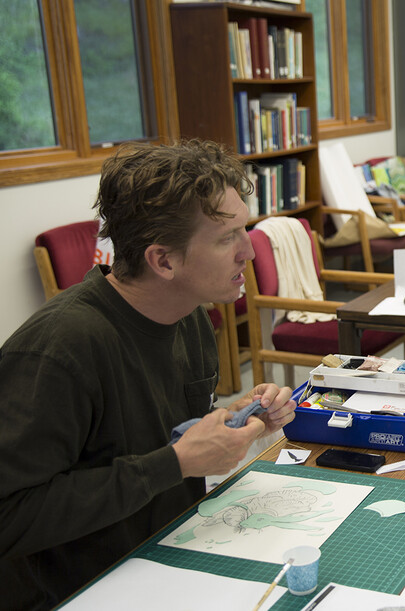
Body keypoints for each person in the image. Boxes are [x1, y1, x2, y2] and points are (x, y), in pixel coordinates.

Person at [0, 140, 298, 609]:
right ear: (163, 260)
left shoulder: (190, 316)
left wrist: (236, 417)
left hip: (168, 555)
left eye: (245, 230)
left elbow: (157, 431)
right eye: (227, 238)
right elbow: (9, 516)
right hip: (81, 592)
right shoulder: (59, 351)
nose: (250, 252)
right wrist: (175, 463)